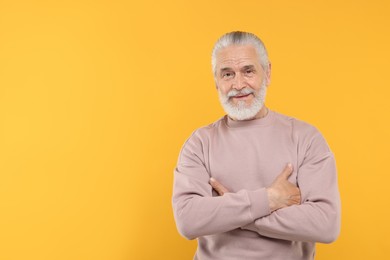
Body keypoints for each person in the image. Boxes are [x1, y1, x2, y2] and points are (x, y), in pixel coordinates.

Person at [172, 31, 341, 260]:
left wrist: (232, 211)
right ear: (216, 81)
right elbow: (188, 221)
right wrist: (269, 199)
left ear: (268, 73)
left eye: (248, 71)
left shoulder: (306, 137)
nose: (239, 84)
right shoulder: (199, 143)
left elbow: (326, 224)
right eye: (227, 74)